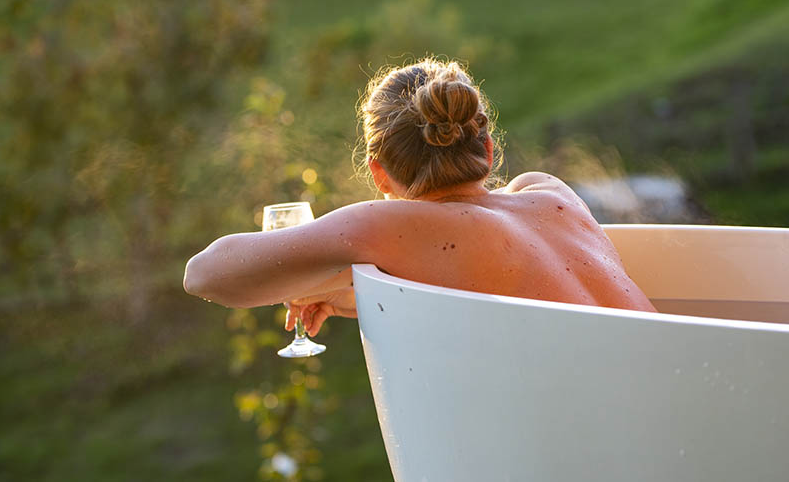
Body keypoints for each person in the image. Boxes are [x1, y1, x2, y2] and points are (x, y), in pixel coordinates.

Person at [183, 58, 655, 336]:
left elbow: (205, 274)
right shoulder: (550, 192)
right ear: (488, 150)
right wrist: (352, 294)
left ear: (379, 174)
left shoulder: (392, 226)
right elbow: (496, 281)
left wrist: (308, 281)